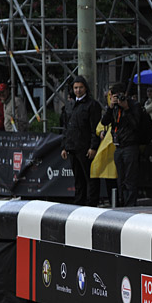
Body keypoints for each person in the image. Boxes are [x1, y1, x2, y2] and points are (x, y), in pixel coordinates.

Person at [60, 76, 103, 206]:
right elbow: (66, 128)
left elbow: (95, 127)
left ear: (85, 88)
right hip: (72, 147)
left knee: (90, 178)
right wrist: (64, 146)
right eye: (75, 88)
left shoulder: (92, 105)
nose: (78, 90)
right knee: (78, 179)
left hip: (85, 148)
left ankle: (91, 204)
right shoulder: (70, 105)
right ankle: (79, 203)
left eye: (80, 87)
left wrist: (93, 147)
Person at [101, 83, 142, 207]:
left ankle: (130, 205)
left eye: (120, 96)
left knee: (130, 179)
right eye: (114, 96)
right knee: (121, 179)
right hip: (118, 146)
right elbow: (104, 121)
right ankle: (122, 203)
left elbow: (136, 125)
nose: (118, 99)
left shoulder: (134, 105)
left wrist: (127, 108)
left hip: (130, 145)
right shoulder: (114, 108)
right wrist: (110, 107)